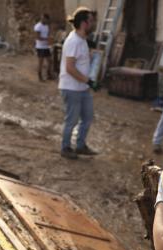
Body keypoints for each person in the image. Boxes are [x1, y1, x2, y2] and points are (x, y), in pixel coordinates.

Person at [58, 7, 98, 159]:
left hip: (82, 87)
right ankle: (66, 148)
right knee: (72, 120)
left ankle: (80, 145)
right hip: (71, 88)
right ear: (84, 23)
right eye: (91, 21)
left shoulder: (82, 40)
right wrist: (89, 81)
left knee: (87, 118)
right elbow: (70, 68)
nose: (93, 24)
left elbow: (80, 61)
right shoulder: (73, 41)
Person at [34, 14, 53, 81]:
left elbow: (47, 34)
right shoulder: (38, 26)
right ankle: (40, 76)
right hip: (40, 47)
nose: (44, 20)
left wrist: (49, 40)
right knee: (41, 62)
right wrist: (47, 39)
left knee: (50, 61)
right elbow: (37, 37)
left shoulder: (46, 26)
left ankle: (48, 74)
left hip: (46, 46)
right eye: (43, 19)